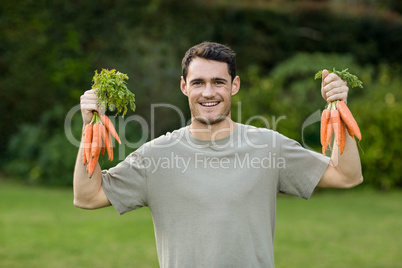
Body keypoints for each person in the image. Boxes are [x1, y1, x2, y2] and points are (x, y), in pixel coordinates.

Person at [74, 41, 363, 267]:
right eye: (198, 82)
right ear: (184, 86)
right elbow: (87, 196)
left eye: (219, 82)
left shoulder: (269, 147)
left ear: (234, 86)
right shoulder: (156, 157)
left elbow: (347, 176)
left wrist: (338, 109)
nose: (208, 92)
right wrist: (90, 128)